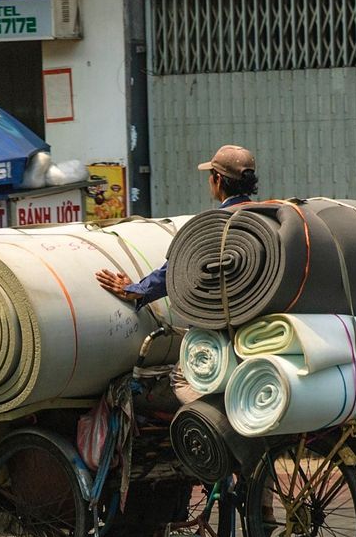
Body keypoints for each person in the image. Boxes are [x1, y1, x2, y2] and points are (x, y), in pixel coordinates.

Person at [95, 144, 259, 404]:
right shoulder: (265, 218)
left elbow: (175, 272)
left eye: (210, 176)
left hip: (221, 329)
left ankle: (221, 424)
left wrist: (135, 291)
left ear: (217, 180)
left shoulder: (215, 226)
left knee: (182, 378)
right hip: (261, 323)